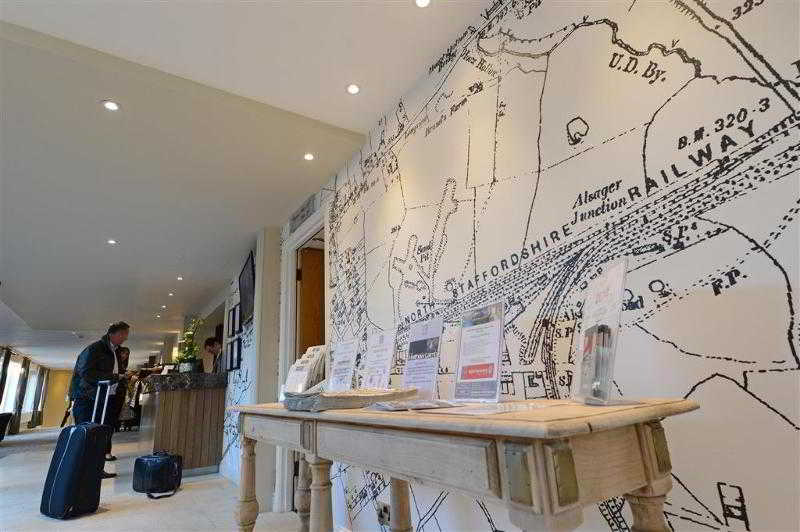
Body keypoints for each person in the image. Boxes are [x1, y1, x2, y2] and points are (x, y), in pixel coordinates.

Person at [68, 321, 130, 479]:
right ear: (112, 334)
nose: (125, 338)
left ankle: (95, 470)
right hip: (89, 399)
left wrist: (121, 378)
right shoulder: (95, 348)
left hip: (105, 399)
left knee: (100, 436)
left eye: (126, 334)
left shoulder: (115, 351)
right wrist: (115, 377)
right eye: (123, 334)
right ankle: (81, 472)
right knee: (87, 436)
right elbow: (86, 373)